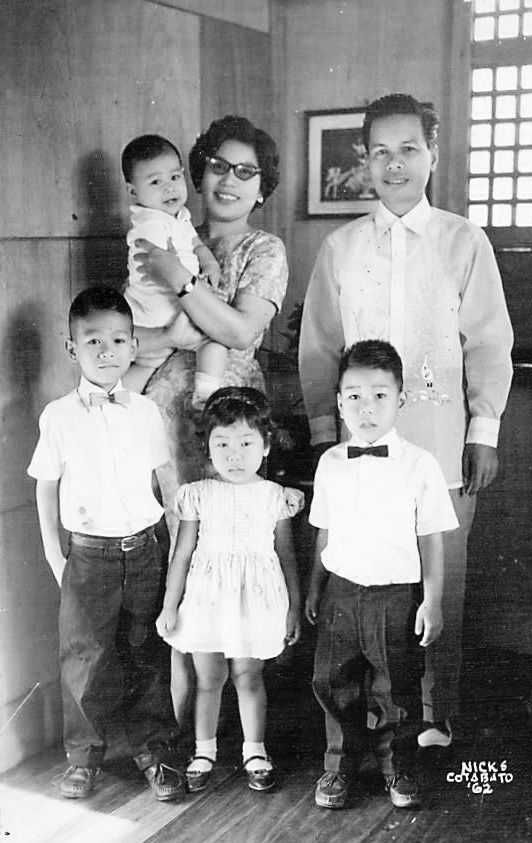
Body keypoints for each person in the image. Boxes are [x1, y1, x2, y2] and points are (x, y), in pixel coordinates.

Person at [299, 93, 514, 748]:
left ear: (433, 155)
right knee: (365, 581)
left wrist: (484, 431)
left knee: (437, 580)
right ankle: (370, 714)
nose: (395, 165)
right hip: (360, 450)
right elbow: (317, 347)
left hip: (442, 444)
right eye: (381, 152)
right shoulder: (339, 248)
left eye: (409, 150)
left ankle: (433, 713)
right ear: (365, 159)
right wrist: (320, 435)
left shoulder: (462, 240)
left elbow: (487, 341)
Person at [131, 115, 288, 729]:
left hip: (227, 424)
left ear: (262, 185)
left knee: (234, 555)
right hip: (159, 417)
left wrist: (185, 286)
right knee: (180, 556)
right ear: (197, 172)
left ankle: (241, 731)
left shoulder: (262, 249)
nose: (229, 180)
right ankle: (184, 735)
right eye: (219, 165)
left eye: (246, 172)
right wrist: (167, 328)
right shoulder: (162, 229)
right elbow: (133, 333)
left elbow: (242, 330)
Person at [27, 286, 183, 801]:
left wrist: (179, 541)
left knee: (145, 651)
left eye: (119, 339)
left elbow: (167, 478)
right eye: (93, 341)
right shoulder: (58, 417)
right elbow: (45, 486)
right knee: (85, 657)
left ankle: (154, 751)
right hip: (87, 555)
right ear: (72, 348)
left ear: (134, 346)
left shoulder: (145, 412)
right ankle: (84, 756)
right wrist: (56, 554)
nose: (106, 351)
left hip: (144, 550)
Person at [306, 340, 459, 809]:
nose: (365, 408)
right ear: (338, 401)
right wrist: (315, 588)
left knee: (396, 684)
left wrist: (431, 600)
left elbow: (432, 537)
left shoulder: (420, 465)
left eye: (379, 396)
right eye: (353, 396)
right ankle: (340, 765)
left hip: (395, 596)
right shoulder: (331, 463)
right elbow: (322, 533)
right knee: (335, 683)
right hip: (340, 594)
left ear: (401, 400)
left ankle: (398, 765)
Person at [155, 387, 303, 792]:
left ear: (266, 445)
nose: (234, 454)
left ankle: (255, 750)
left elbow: (287, 556)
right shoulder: (198, 495)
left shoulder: (275, 497)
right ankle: (204, 750)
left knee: (249, 676)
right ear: (207, 447)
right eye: (222, 444)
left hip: (256, 599)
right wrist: (171, 605)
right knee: (209, 677)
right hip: (206, 598)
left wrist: (294, 606)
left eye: (245, 443)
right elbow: (182, 555)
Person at [121, 134, 225, 406]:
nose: (169, 188)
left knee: (146, 366)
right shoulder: (148, 224)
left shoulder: (179, 216)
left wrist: (209, 261)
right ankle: (205, 396)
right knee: (212, 342)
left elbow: (194, 242)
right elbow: (158, 268)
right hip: (159, 313)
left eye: (175, 178)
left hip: (165, 315)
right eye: (155, 182)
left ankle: (113, 405)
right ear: (133, 192)